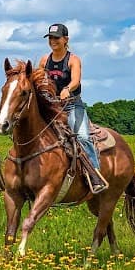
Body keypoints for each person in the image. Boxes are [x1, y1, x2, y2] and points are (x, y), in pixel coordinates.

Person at [38, 23, 108, 194]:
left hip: (71, 105)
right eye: (51, 38)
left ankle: (94, 175)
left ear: (65, 40)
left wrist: (67, 89)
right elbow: (38, 79)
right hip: (51, 106)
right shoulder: (44, 60)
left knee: (83, 137)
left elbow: (76, 80)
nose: (53, 41)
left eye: (56, 38)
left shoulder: (73, 59)